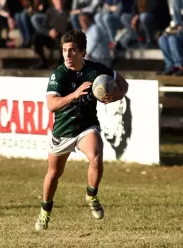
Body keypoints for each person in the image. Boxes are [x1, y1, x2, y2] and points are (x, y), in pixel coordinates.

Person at [35, 30, 129, 231]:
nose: (68, 55)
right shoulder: (59, 74)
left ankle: (91, 195)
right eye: (64, 51)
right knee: (54, 173)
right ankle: (45, 212)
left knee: (96, 157)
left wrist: (116, 95)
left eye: (72, 50)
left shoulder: (95, 71)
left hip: (86, 126)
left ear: (83, 52)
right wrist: (75, 94)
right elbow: (51, 105)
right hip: (63, 130)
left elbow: (124, 83)